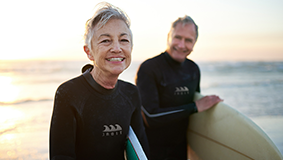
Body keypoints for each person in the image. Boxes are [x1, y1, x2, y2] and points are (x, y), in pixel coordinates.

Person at [49, 2, 149, 160]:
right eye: (105, 41)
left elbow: (141, 150)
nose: (117, 48)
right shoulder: (68, 93)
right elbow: (61, 156)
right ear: (89, 52)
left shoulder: (131, 93)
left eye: (124, 40)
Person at [135, 15, 223, 160]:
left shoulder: (193, 70)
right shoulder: (149, 68)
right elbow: (151, 117)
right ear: (169, 37)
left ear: (195, 43)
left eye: (188, 40)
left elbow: (194, 119)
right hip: (151, 151)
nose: (182, 45)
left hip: (180, 151)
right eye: (177, 37)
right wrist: (194, 107)